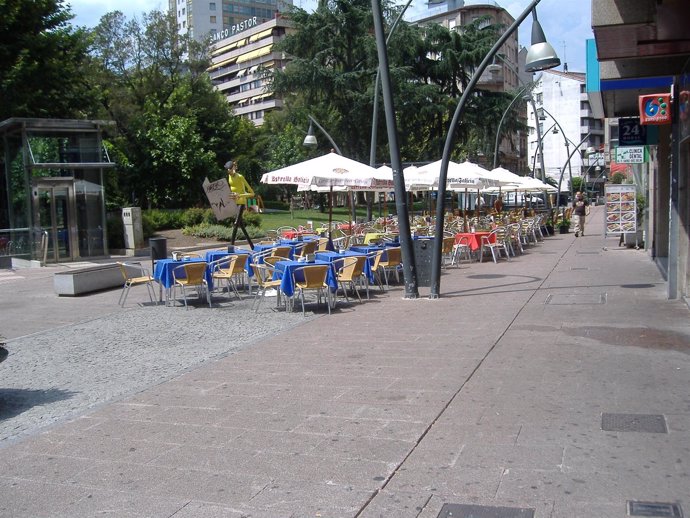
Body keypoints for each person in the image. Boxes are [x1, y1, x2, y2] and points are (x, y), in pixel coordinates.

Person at [225, 160, 255, 246]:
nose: (228, 171)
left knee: (236, 223)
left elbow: (252, 193)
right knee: (240, 224)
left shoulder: (240, 177)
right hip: (233, 202)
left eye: (230, 169)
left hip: (241, 202)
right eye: (227, 169)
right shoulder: (229, 177)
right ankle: (251, 245)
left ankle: (231, 245)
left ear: (234, 168)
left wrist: (240, 195)